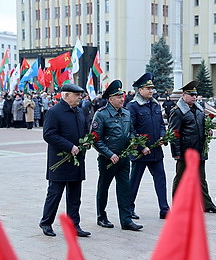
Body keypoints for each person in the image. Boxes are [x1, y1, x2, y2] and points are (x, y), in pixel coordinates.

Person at [39, 84, 91, 237]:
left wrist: (85, 141)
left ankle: (74, 225)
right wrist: (69, 146)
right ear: (66, 95)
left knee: (75, 196)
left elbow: (84, 129)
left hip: (76, 160)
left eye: (80, 95)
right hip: (59, 161)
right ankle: (46, 222)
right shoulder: (54, 112)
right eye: (77, 95)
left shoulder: (79, 111)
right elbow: (48, 134)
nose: (80, 97)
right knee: (55, 194)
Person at [91, 79, 143, 231]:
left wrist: (134, 142)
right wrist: (109, 154)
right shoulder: (101, 115)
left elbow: (131, 132)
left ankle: (126, 220)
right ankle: (101, 216)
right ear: (110, 99)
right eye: (119, 97)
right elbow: (95, 139)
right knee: (104, 188)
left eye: (123, 96)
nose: (122, 99)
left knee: (124, 189)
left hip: (124, 158)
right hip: (108, 160)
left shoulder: (126, 113)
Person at [169, 80, 216, 213]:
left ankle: (207, 205)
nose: (194, 97)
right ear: (184, 95)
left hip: (199, 149)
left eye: (195, 95)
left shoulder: (198, 109)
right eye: (191, 95)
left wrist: (207, 130)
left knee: (201, 179)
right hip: (185, 151)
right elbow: (173, 134)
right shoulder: (177, 111)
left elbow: (202, 125)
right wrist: (176, 153)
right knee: (181, 179)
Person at [126, 73, 170, 220]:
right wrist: (141, 147)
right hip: (141, 153)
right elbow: (131, 130)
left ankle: (164, 209)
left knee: (161, 179)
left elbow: (161, 125)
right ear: (140, 90)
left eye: (152, 88)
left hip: (156, 151)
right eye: (148, 88)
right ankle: (129, 208)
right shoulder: (133, 106)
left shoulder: (155, 104)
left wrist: (163, 136)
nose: (151, 91)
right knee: (134, 181)